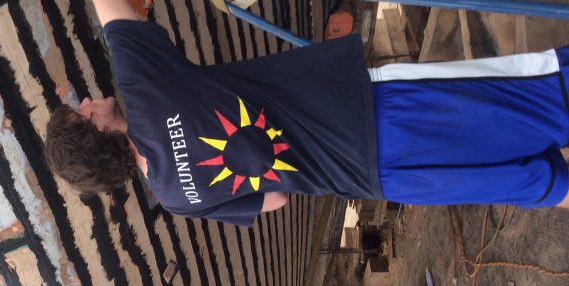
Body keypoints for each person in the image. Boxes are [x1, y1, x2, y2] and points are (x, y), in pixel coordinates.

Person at [44, 1, 569, 226]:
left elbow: (273, 199)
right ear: (94, 127)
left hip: (377, 180)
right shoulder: (144, 90)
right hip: (386, 114)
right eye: (80, 111)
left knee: (540, 185)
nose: (86, 102)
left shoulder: (175, 199)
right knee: (549, 96)